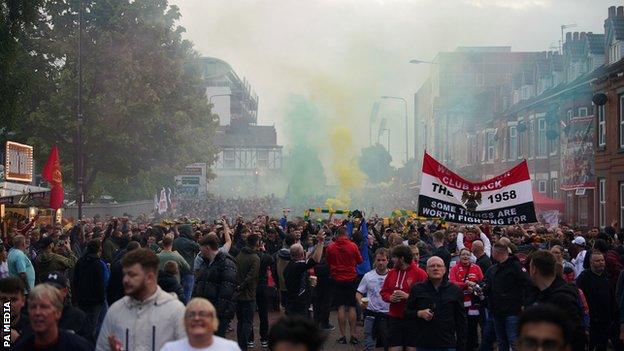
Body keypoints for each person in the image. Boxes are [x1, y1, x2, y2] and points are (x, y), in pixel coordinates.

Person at [96, 248, 186, 351]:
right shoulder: (116, 311)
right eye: (124, 274)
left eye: (132, 275)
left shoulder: (175, 311)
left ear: (150, 278)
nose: (125, 280)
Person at [406, 256, 466, 351]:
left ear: (445, 269)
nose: (435, 268)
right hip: (423, 343)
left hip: (447, 343)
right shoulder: (417, 289)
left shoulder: (455, 290)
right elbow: (407, 313)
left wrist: (461, 345)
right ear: (426, 269)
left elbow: (461, 320)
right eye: (432, 266)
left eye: (439, 266)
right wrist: (419, 313)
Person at [484, 242, 533, 351]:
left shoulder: (516, 267)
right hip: (497, 311)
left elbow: (528, 285)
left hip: (512, 311)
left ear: (496, 253)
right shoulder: (495, 268)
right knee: (501, 341)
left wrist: (525, 304)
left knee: (514, 341)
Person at [12, 284, 91, 351]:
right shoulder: (20, 346)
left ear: (58, 312)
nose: (37, 312)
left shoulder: (78, 346)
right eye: (33, 307)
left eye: (44, 307)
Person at [380, 245, 427, 351]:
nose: (392, 260)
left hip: (413, 319)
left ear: (402, 258)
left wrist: (408, 297)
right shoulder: (391, 272)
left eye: (394, 257)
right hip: (394, 318)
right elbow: (384, 292)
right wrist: (390, 297)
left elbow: (426, 297)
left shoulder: (420, 273)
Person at [193, 234, 238, 337]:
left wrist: (215, 312)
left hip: (218, 315)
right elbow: (198, 285)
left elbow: (226, 293)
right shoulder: (205, 263)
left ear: (207, 248)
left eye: (201, 248)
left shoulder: (226, 264)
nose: (200, 251)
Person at [576, 251, 621, 351]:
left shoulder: (606, 276)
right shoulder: (584, 278)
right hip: (592, 323)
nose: (601, 262)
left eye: (602, 260)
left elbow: (612, 297)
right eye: (597, 261)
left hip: (607, 321)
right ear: (591, 263)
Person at [326, 226, 363, 345]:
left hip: (337, 279)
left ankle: (342, 336)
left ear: (337, 235)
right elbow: (360, 261)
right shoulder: (353, 246)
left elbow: (328, 262)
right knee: (352, 307)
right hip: (351, 278)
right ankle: (353, 335)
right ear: (346, 234)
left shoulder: (331, 247)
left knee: (341, 307)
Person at [160, 298, 241, 351]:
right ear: (184, 321)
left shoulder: (230, 348)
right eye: (191, 314)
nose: (197, 318)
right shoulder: (170, 348)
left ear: (213, 320)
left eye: (203, 314)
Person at [283, 229, 325, 317]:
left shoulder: (291, 265)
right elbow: (316, 260)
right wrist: (321, 242)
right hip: (299, 303)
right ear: (302, 254)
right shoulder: (298, 266)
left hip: (292, 301)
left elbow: (309, 256)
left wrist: (317, 244)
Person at [42, 271, 93, 343]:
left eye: (56, 289)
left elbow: (89, 345)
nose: (51, 293)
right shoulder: (37, 316)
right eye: (47, 289)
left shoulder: (78, 317)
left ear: (65, 291)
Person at [449, 248, 484, 351]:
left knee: (473, 327)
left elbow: (482, 282)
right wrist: (465, 285)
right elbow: (451, 283)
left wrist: (475, 287)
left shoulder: (476, 268)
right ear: (459, 256)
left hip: (473, 303)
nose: (465, 257)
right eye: (463, 255)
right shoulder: (454, 269)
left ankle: (473, 346)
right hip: (460, 303)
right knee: (461, 327)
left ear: (470, 256)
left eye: (467, 255)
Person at [356, 248, 390, 351]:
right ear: (375, 260)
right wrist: (361, 302)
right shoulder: (368, 276)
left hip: (387, 315)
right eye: (378, 260)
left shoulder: (393, 275)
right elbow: (359, 292)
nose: (381, 263)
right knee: (368, 343)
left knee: (386, 343)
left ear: (388, 260)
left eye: (383, 260)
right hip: (371, 314)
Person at [73, 239, 106, 340]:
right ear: (98, 249)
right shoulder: (98, 264)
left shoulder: (80, 261)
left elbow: (75, 280)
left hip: (81, 298)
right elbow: (100, 283)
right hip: (94, 301)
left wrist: (76, 296)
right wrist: (101, 299)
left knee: (82, 323)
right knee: (92, 325)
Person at [235, 234, 261, 350]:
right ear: (257, 244)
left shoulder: (239, 255)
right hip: (248, 294)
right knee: (247, 322)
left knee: (240, 322)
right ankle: (242, 346)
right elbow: (252, 276)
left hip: (238, 294)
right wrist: (242, 285)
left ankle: (240, 345)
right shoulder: (255, 258)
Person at [174, 224, 201, 304]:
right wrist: (196, 239)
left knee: (178, 292)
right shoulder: (189, 243)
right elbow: (199, 248)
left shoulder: (175, 241)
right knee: (187, 293)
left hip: (177, 270)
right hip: (188, 271)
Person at [0, 277, 29, 345]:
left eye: (13, 300)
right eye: (3, 299)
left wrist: (19, 341)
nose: (8, 304)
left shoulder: (33, 328)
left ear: (23, 301)